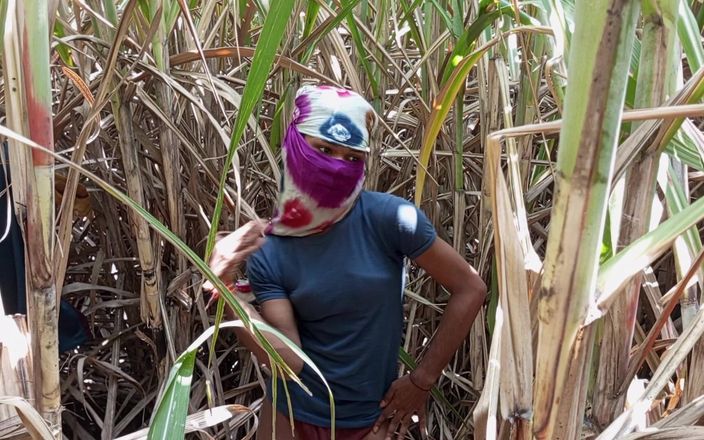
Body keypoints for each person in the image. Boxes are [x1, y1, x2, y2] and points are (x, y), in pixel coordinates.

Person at [207, 85, 487, 440]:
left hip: (369, 421)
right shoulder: (271, 250)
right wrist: (224, 290)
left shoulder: (390, 219)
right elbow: (290, 361)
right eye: (323, 149)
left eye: (352, 157)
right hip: (289, 417)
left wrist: (422, 380)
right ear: (294, 144)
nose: (337, 165)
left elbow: (471, 287)